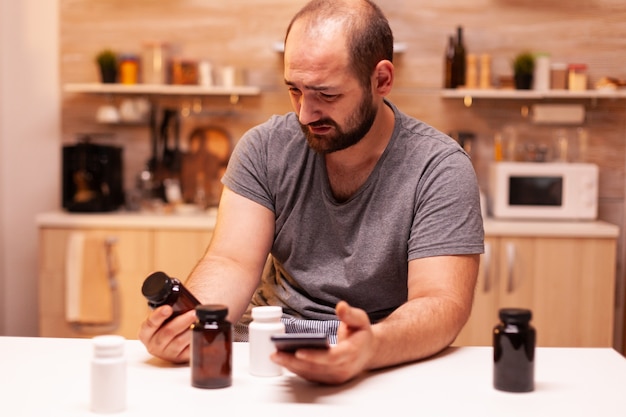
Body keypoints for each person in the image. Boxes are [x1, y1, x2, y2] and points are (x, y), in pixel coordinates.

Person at [139, 0, 484, 385]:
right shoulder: (265, 147)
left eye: (327, 95)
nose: (305, 113)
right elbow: (232, 261)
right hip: (265, 344)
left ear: (382, 80)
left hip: (380, 355)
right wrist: (197, 325)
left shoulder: (439, 167)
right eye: (295, 90)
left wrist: (370, 347)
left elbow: (440, 302)